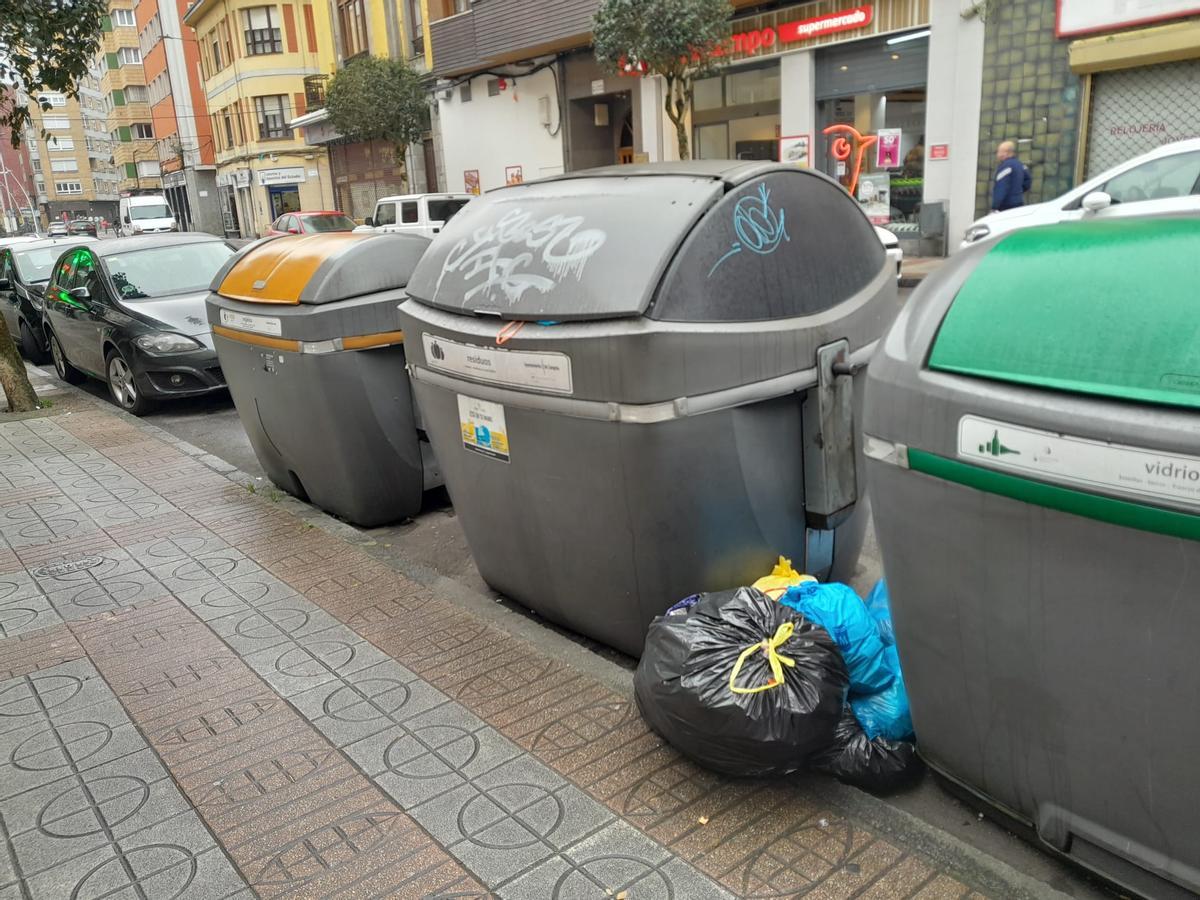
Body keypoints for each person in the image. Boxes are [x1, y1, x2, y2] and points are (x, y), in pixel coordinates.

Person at [991, 140, 1030, 212]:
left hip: (1006, 206)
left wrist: (995, 207)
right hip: (1019, 204)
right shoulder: (1021, 165)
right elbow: (1027, 182)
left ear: (1006, 153)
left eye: (999, 151)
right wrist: (1017, 192)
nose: (998, 154)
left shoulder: (1005, 167)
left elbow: (1001, 188)